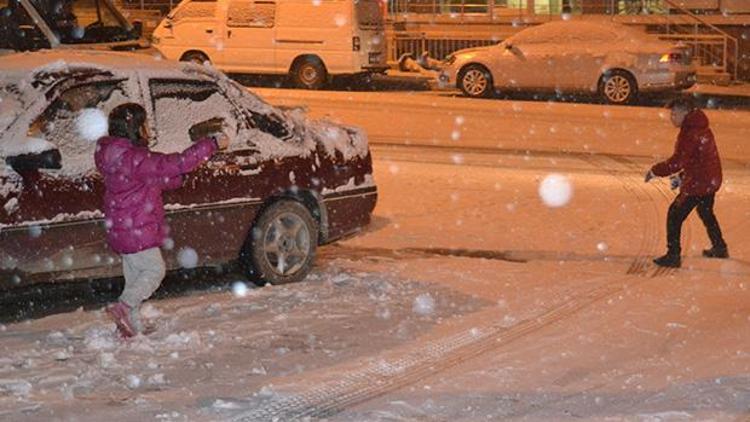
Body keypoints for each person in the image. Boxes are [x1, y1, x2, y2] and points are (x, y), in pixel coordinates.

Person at [95, 103, 227, 338]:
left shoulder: (114, 155)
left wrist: (178, 178)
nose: (148, 129)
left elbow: (147, 179)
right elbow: (176, 162)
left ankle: (130, 327)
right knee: (155, 271)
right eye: (144, 124)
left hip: (122, 227)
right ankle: (123, 307)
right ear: (134, 127)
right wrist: (211, 144)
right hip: (137, 229)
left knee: (135, 278)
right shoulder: (135, 157)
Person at [645, 96, 728, 268]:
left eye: (674, 113)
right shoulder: (700, 126)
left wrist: (655, 171)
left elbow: (678, 161)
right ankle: (720, 247)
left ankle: (673, 255)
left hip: (700, 183)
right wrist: (682, 177)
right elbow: (697, 159)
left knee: (674, 215)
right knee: (706, 212)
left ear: (685, 112)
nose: (671, 117)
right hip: (710, 179)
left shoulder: (689, 132)